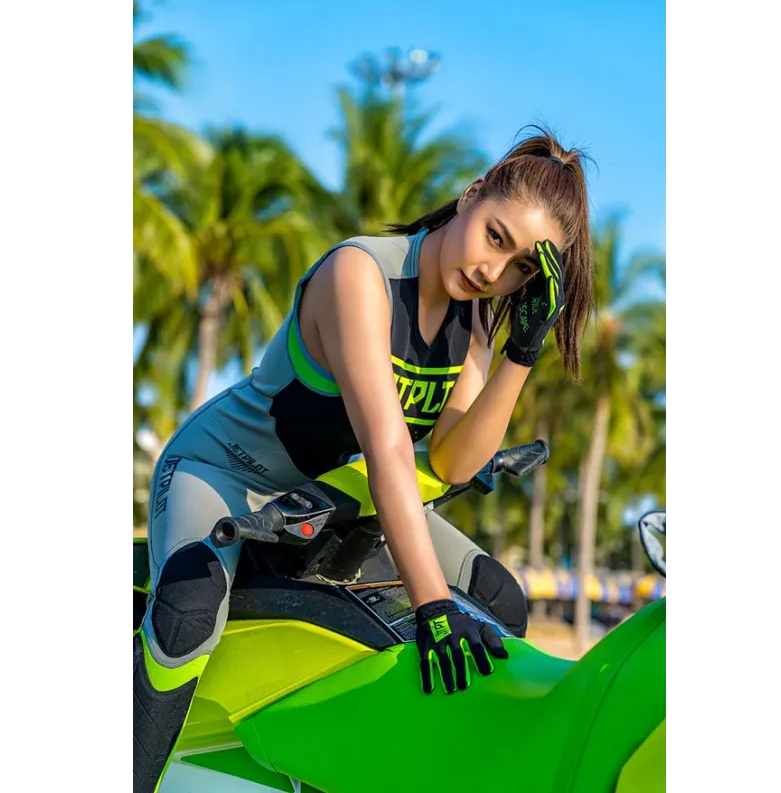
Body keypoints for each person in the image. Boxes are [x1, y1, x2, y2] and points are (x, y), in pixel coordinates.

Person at [129, 125, 594, 793]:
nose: (494, 272)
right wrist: (433, 605)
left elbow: (455, 463)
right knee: (188, 612)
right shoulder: (361, 274)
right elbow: (388, 446)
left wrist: (521, 352)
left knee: (498, 600)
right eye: (496, 237)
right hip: (224, 472)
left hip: (334, 496)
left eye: (521, 267)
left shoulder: (472, 324)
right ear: (470, 197)